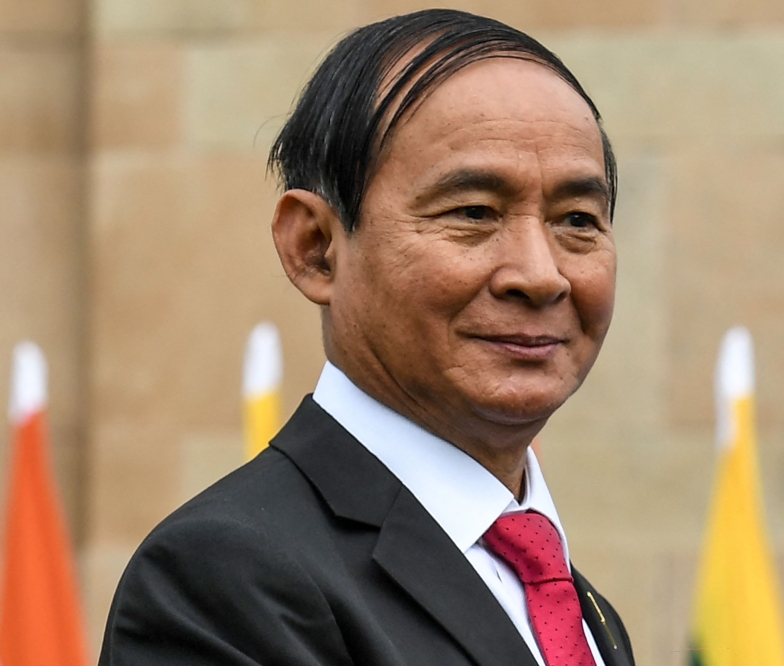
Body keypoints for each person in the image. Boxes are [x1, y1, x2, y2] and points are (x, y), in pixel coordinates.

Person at [99, 9, 634, 666]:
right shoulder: (227, 577)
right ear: (316, 248)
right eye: (473, 213)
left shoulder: (576, 606)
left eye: (578, 220)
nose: (540, 275)